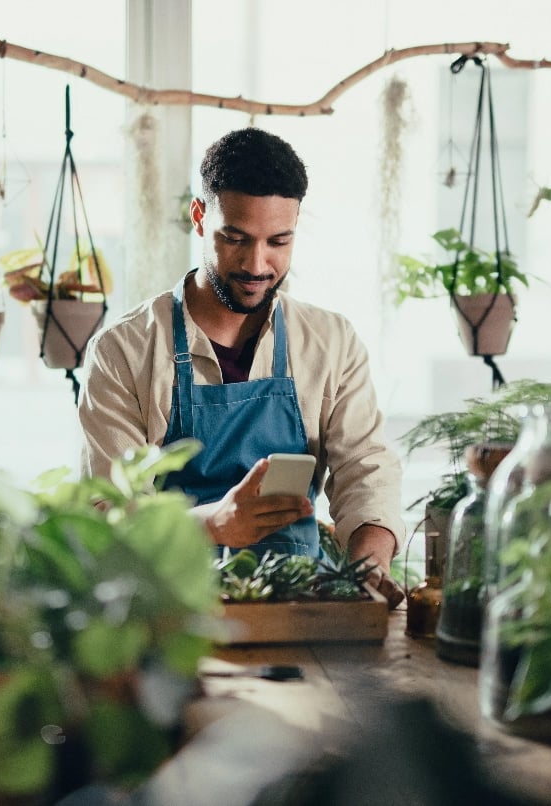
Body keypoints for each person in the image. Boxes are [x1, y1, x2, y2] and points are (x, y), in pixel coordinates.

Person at [77, 127, 405, 607]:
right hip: (165, 611)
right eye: (235, 238)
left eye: (279, 241)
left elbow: (366, 470)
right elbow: (108, 511)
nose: (257, 264)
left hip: (298, 609)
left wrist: (369, 566)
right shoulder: (123, 350)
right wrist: (214, 523)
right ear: (198, 217)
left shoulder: (331, 342)